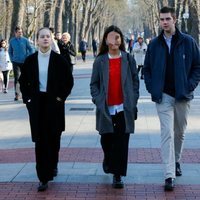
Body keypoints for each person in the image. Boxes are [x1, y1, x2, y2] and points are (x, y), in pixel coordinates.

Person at [143, 6, 200, 191]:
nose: (164, 22)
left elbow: (197, 66)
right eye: (162, 19)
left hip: (183, 95)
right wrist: (153, 88)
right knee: (167, 132)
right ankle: (169, 174)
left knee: (180, 132)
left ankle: (176, 160)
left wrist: (189, 85)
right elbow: (147, 69)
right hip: (164, 96)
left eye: (167, 19)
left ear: (175, 19)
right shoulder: (154, 44)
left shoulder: (188, 42)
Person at [19, 27, 74, 192]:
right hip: (37, 103)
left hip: (54, 103)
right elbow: (23, 82)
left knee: (54, 137)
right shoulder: (30, 60)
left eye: (47, 37)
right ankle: (43, 176)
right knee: (40, 140)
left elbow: (68, 81)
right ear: (37, 40)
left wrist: (60, 98)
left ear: (51, 40)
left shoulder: (59, 60)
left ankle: (53, 164)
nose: (45, 39)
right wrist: (28, 99)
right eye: (42, 37)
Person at [90, 25, 139, 189]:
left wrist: (133, 99)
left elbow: (135, 80)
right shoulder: (100, 60)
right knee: (106, 141)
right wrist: (98, 99)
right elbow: (94, 84)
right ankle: (108, 159)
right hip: (106, 108)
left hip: (124, 108)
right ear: (106, 40)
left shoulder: (128, 58)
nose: (115, 40)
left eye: (118, 37)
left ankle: (117, 175)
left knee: (122, 142)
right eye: (112, 37)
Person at [8, 26, 34, 101]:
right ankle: (17, 94)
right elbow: (10, 51)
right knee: (17, 78)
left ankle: (25, 93)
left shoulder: (25, 40)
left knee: (26, 78)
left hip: (25, 62)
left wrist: (28, 57)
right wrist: (12, 59)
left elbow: (31, 49)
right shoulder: (12, 41)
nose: (21, 33)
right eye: (19, 32)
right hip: (16, 62)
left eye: (21, 32)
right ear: (15, 33)